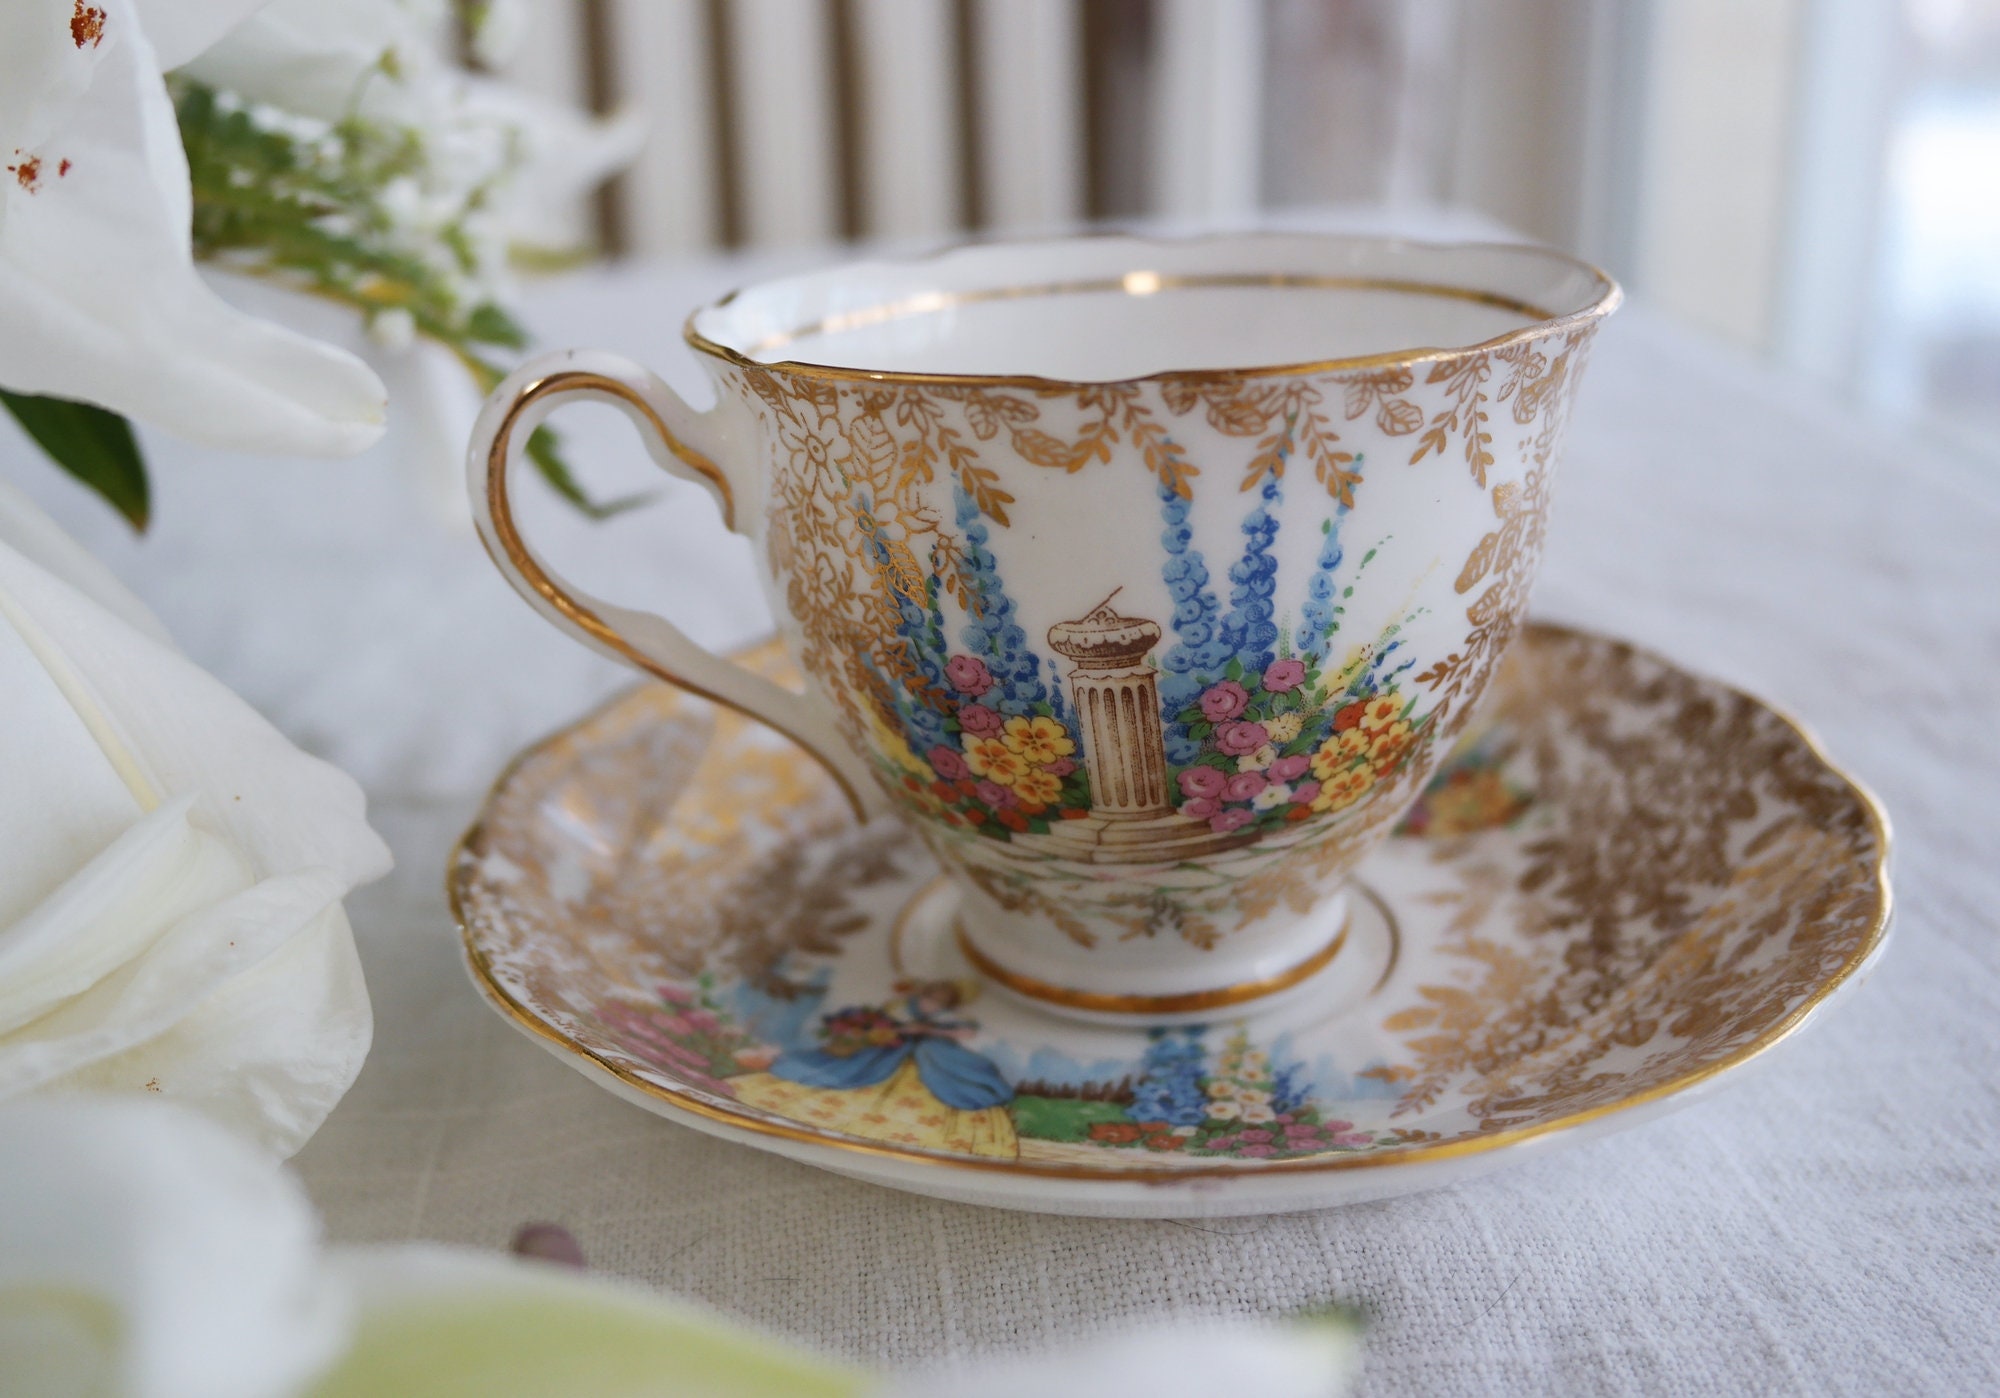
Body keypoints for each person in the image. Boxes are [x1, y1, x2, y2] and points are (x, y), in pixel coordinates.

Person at [730, 980, 1017, 1158]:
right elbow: (883, 1024)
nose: (933, 1004)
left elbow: (964, 1033)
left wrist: (931, 1030)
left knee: (949, 1063)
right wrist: (901, 1029)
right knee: (858, 1064)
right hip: (891, 1049)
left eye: (941, 1001)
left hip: (933, 1052)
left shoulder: (950, 1017)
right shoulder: (903, 1006)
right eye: (931, 998)